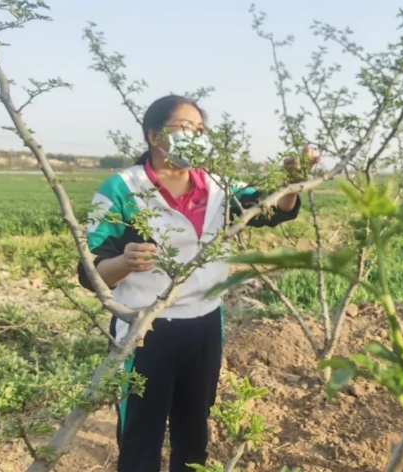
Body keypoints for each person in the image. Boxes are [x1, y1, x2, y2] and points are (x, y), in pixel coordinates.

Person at [77, 95, 316, 472]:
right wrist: (123, 262)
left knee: (194, 435)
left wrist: (292, 184)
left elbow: (272, 210)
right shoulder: (122, 189)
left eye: (200, 130)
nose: (195, 137)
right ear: (155, 136)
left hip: (205, 324)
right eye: (185, 128)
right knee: (141, 436)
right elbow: (91, 271)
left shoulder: (220, 186)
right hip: (144, 329)